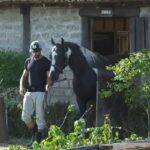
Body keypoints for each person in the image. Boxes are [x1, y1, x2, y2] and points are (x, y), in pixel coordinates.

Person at [19, 41, 51, 146]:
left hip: (40, 92)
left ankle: (38, 142)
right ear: (31, 51)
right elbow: (23, 76)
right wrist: (21, 87)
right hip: (29, 92)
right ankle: (35, 135)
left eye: (37, 51)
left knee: (40, 118)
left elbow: (49, 76)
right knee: (25, 117)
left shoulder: (46, 62)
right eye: (34, 51)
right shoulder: (28, 61)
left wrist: (48, 84)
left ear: (40, 50)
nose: (36, 53)